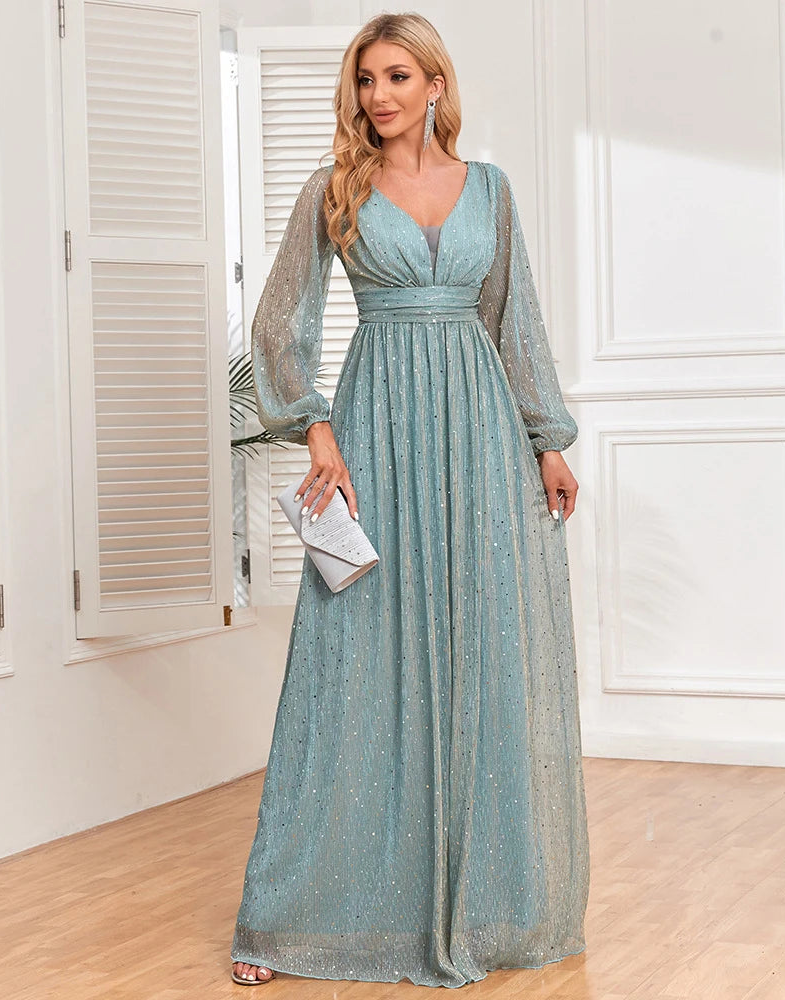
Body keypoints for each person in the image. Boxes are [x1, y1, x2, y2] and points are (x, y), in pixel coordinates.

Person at [230, 11, 589, 989]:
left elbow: (513, 320)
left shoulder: (491, 190)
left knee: (481, 644)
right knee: (356, 651)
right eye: (365, 79)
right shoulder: (333, 188)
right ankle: (291, 916)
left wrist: (547, 440)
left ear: (435, 85)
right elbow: (280, 323)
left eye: (396, 76)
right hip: (376, 428)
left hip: (479, 433)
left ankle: (487, 899)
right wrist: (317, 430)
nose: (377, 95)